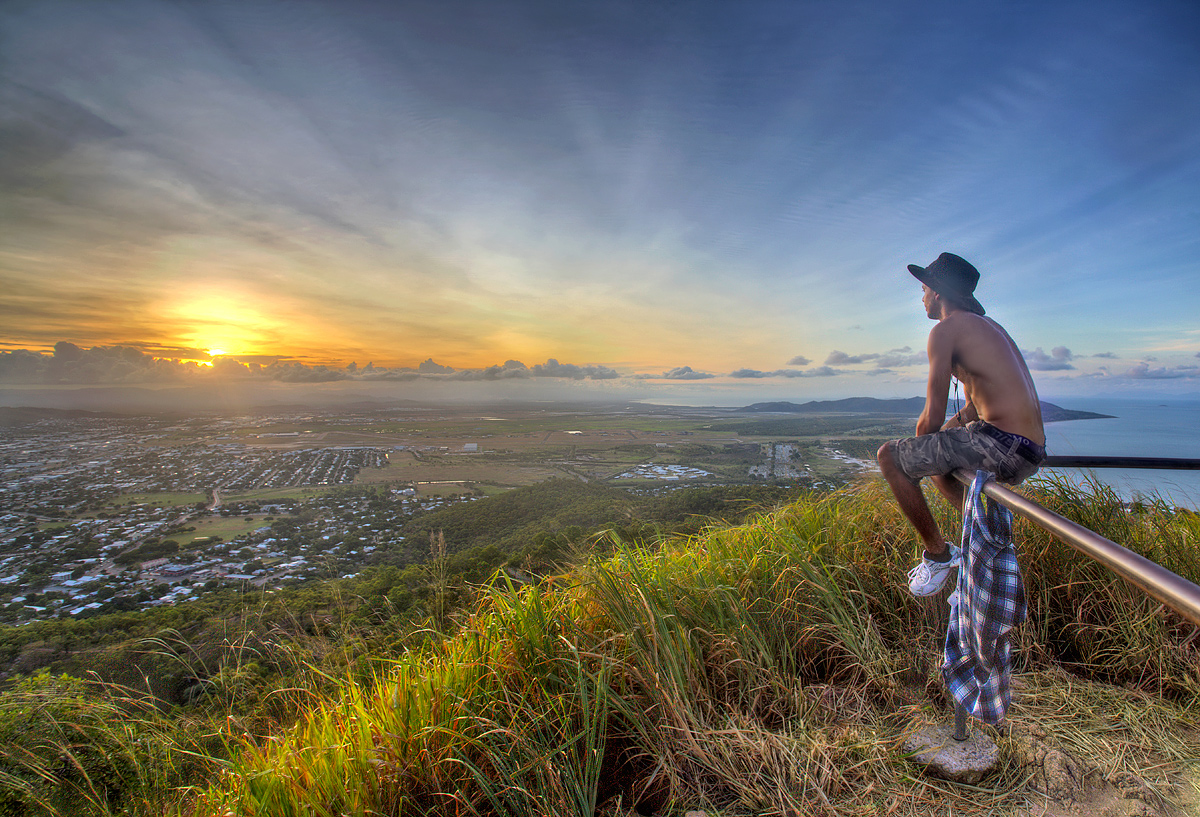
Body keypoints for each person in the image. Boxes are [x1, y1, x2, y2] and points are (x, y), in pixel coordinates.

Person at [876, 252, 1046, 596]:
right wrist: (937, 443)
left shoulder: (946, 330)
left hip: (1001, 445)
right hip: (1028, 448)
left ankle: (939, 556)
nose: (921, 297)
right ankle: (985, 547)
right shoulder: (990, 328)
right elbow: (971, 408)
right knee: (942, 457)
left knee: (889, 458)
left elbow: (932, 415)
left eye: (923, 290)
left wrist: (919, 449)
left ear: (937, 293)